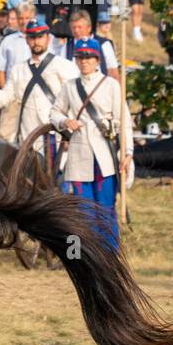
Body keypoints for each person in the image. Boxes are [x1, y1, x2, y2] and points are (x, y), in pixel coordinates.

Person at [50, 38, 134, 250]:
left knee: (105, 210)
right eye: (80, 57)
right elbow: (54, 112)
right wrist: (64, 121)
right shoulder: (70, 87)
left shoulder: (111, 85)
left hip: (104, 155)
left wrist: (128, 153)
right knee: (83, 213)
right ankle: (87, 255)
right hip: (79, 155)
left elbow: (124, 121)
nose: (84, 61)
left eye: (88, 57)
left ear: (97, 60)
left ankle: (110, 255)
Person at [0, 19, 78, 168]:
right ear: (27, 40)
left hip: (56, 134)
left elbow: (74, 101)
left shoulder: (65, 66)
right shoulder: (18, 70)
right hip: (28, 135)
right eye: (32, 37)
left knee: (56, 183)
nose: (36, 41)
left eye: (40, 37)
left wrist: (71, 133)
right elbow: (6, 98)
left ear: (48, 38)